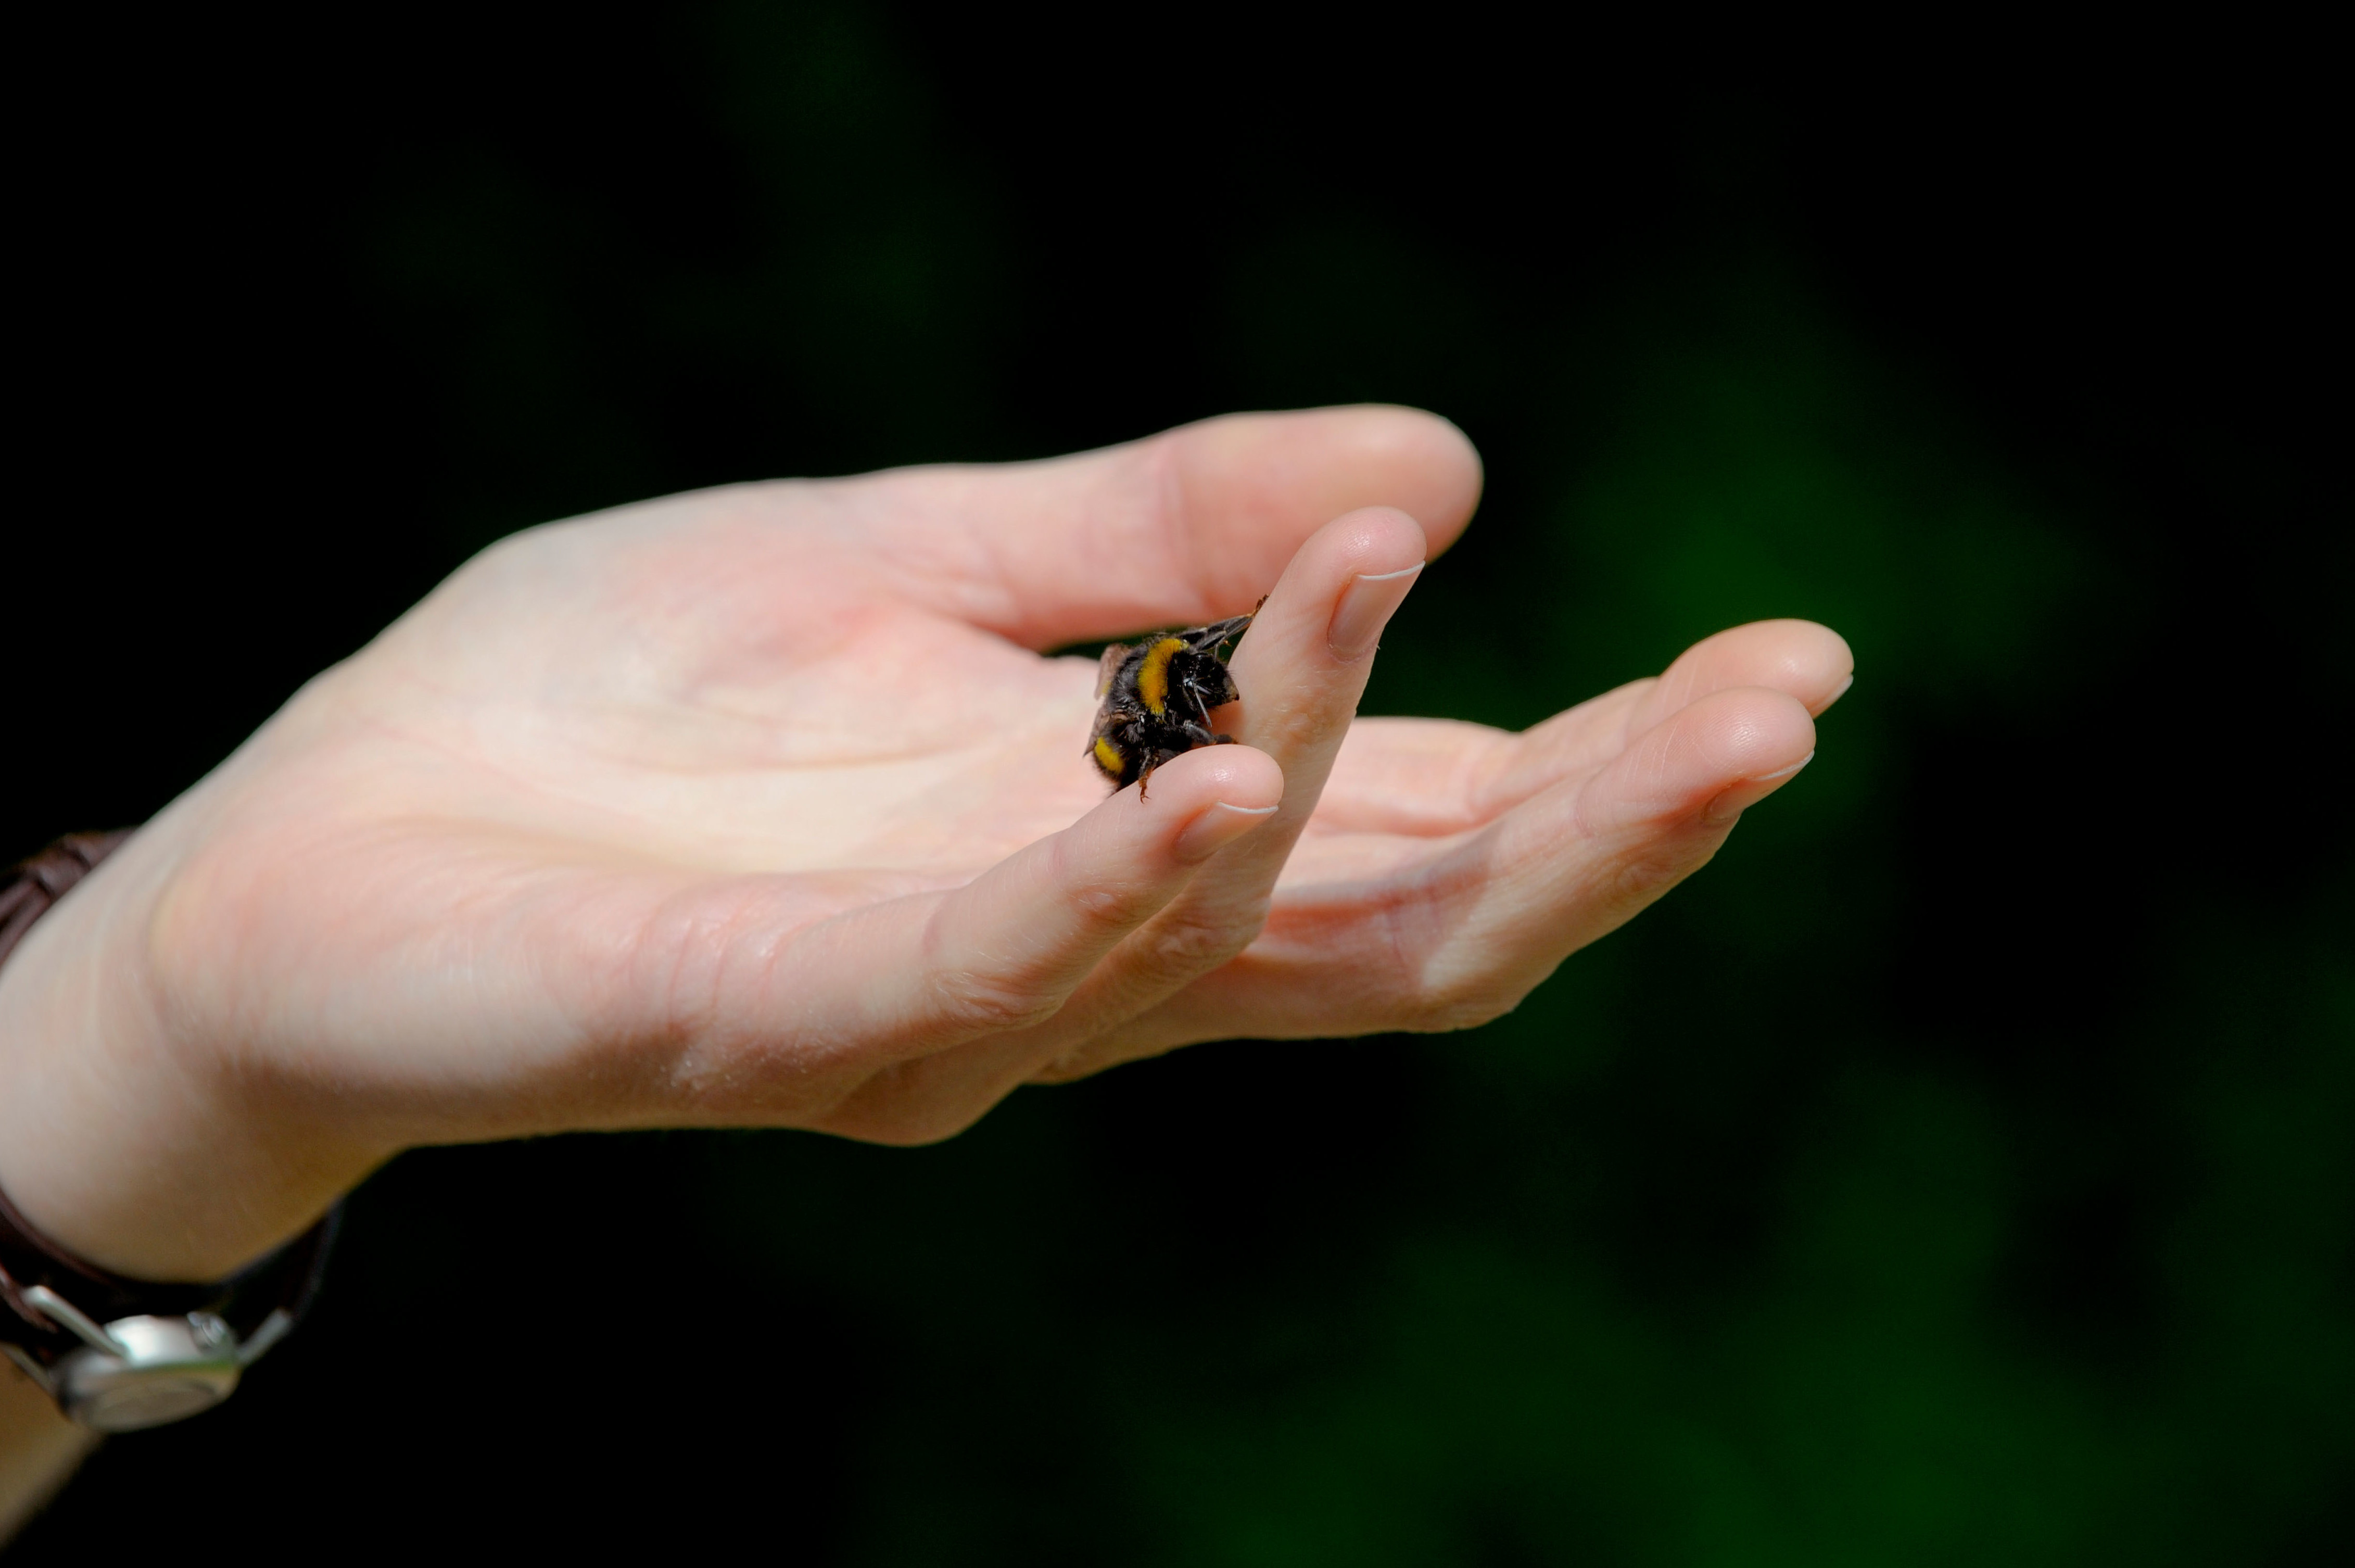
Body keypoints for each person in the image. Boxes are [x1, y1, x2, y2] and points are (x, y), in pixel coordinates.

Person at [0, 406, 1848, 1531]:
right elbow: (1162, 708)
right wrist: (163, 1006)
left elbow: (1169, 701)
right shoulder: (1156, 699)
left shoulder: (1165, 690)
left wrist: (145, 1043)